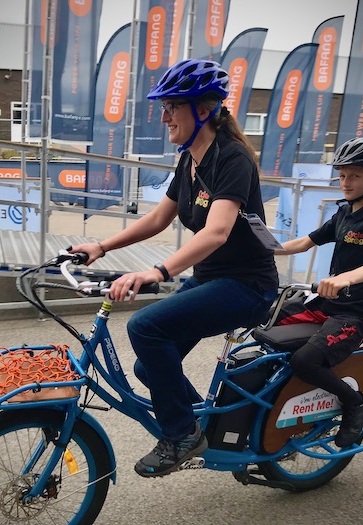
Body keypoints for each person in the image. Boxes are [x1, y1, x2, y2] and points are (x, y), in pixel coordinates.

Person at [69, 59, 279, 476]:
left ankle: (182, 434)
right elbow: (157, 219)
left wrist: (157, 272)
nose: (164, 117)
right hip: (211, 280)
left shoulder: (231, 158)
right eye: (164, 108)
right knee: (149, 366)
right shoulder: (190, 160)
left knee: (145, 327)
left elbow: (217, 231)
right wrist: (102, 246)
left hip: (248, 286)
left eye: (172, 108)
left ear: (203, 110)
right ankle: (202, 426)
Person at [274, 137, 363, 448]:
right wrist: (262, 250)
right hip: (327, 305)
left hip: (354, 315)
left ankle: (355, 403)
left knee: (304, 361)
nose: (346, 182)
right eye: (342, 176)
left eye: (354, 175)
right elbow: (304, 242)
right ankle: (283, 397)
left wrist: (343, 280)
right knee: (266, 319)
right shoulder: (343, 214)